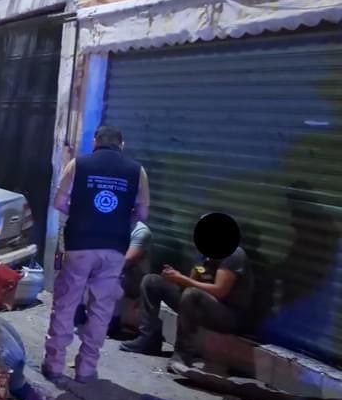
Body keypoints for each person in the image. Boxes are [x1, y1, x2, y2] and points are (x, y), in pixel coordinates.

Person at [42, 125, 149, 383]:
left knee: (66, 303)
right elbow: (143, 214)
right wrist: (121, 220)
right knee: (101, 308)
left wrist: (80, 212)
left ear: (95, 142)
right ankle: (86, 369)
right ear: (122, 144)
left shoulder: (79, 164)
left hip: (80, 244)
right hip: (115, 247)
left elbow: (58, 203)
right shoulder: (137, 170)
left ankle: (55, 365)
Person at [120, 242, 254, 368]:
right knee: (151, 281)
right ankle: (149, 339)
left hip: (228, 315)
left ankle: (182, 355)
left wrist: (182, 279)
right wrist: (175, 278)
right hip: (200, 304)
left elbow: (220, 291)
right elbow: (193, 281)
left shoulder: (234, 255)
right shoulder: (203, 254)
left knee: (191, 294)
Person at [75, 220, 152, 336]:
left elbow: (128, 260)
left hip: (133, 277)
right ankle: (79, 315)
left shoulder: (141, 232)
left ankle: (112, 323)